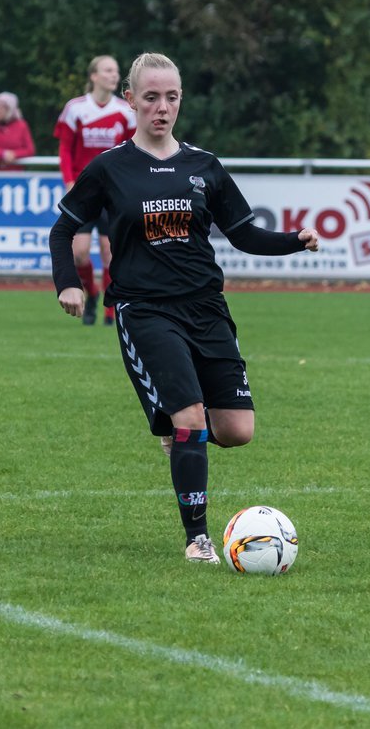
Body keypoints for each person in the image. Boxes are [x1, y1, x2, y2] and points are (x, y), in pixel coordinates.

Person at [48, 52, 319, 564]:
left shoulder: (203, 166)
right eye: (150, 97)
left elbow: (243, 233)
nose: (162, 108)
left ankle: (182, 439)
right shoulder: (109, 168)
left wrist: (293, 241)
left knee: (236, 431)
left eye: (171, 97)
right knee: (191, 420)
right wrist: (69, 284)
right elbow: (63, 230)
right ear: (130, 100)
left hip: (207, 309)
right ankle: (197, 538)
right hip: (146, 310)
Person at [54, 55, 136, 326]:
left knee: (110, 254)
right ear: (94, 76)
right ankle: (91, 293)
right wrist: (68, 181)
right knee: (78, 253)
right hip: (84, 192)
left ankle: (110, 310)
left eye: (116, 70)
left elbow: (132, 151)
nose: (114, 75)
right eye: (108, 70)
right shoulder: (76, 108)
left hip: (112, 194)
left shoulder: (125, 110)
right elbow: (65, 148)